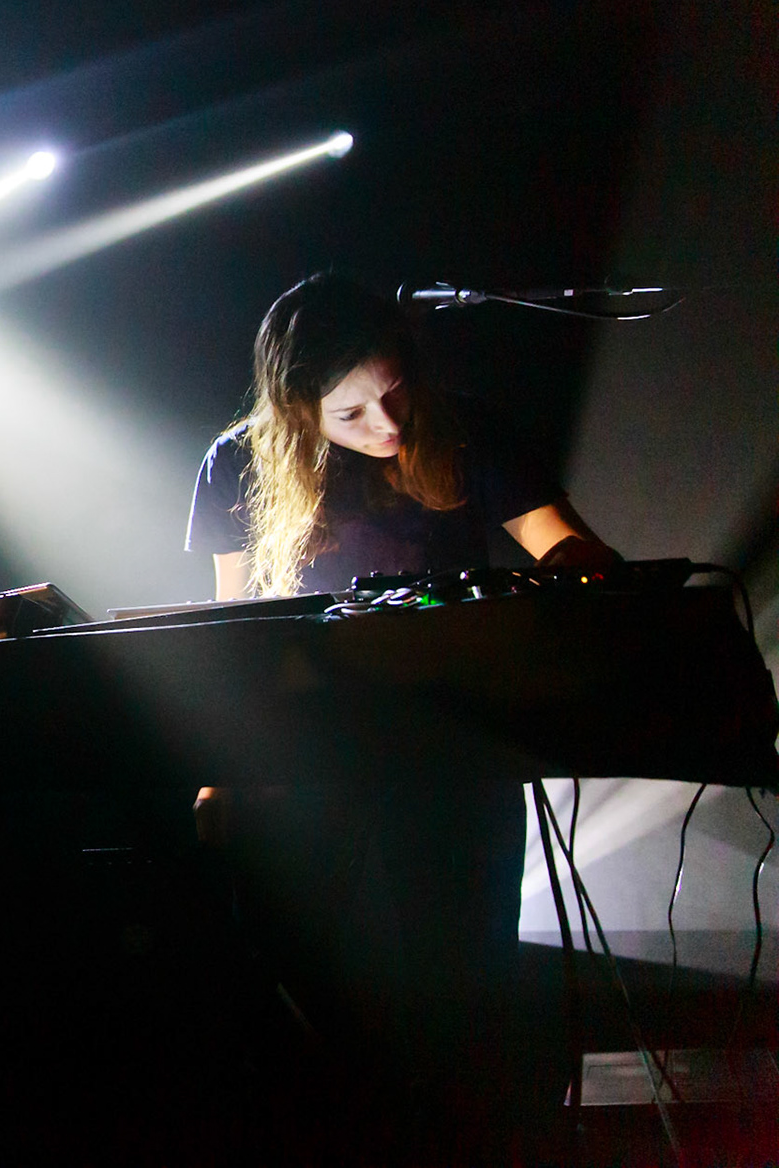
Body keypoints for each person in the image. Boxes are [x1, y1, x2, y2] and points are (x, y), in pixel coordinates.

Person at [183, 273, 615, 1121]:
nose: (387, 425)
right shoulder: (236, 463)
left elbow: (565, 543)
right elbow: (233, 631)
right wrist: (222, 771)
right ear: (296, 409)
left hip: (455, 746)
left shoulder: (464, 431)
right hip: (306, 755)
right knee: (301, 975)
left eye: (395, 393)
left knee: (465, 977)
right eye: (350, 414)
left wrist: (576, 565)